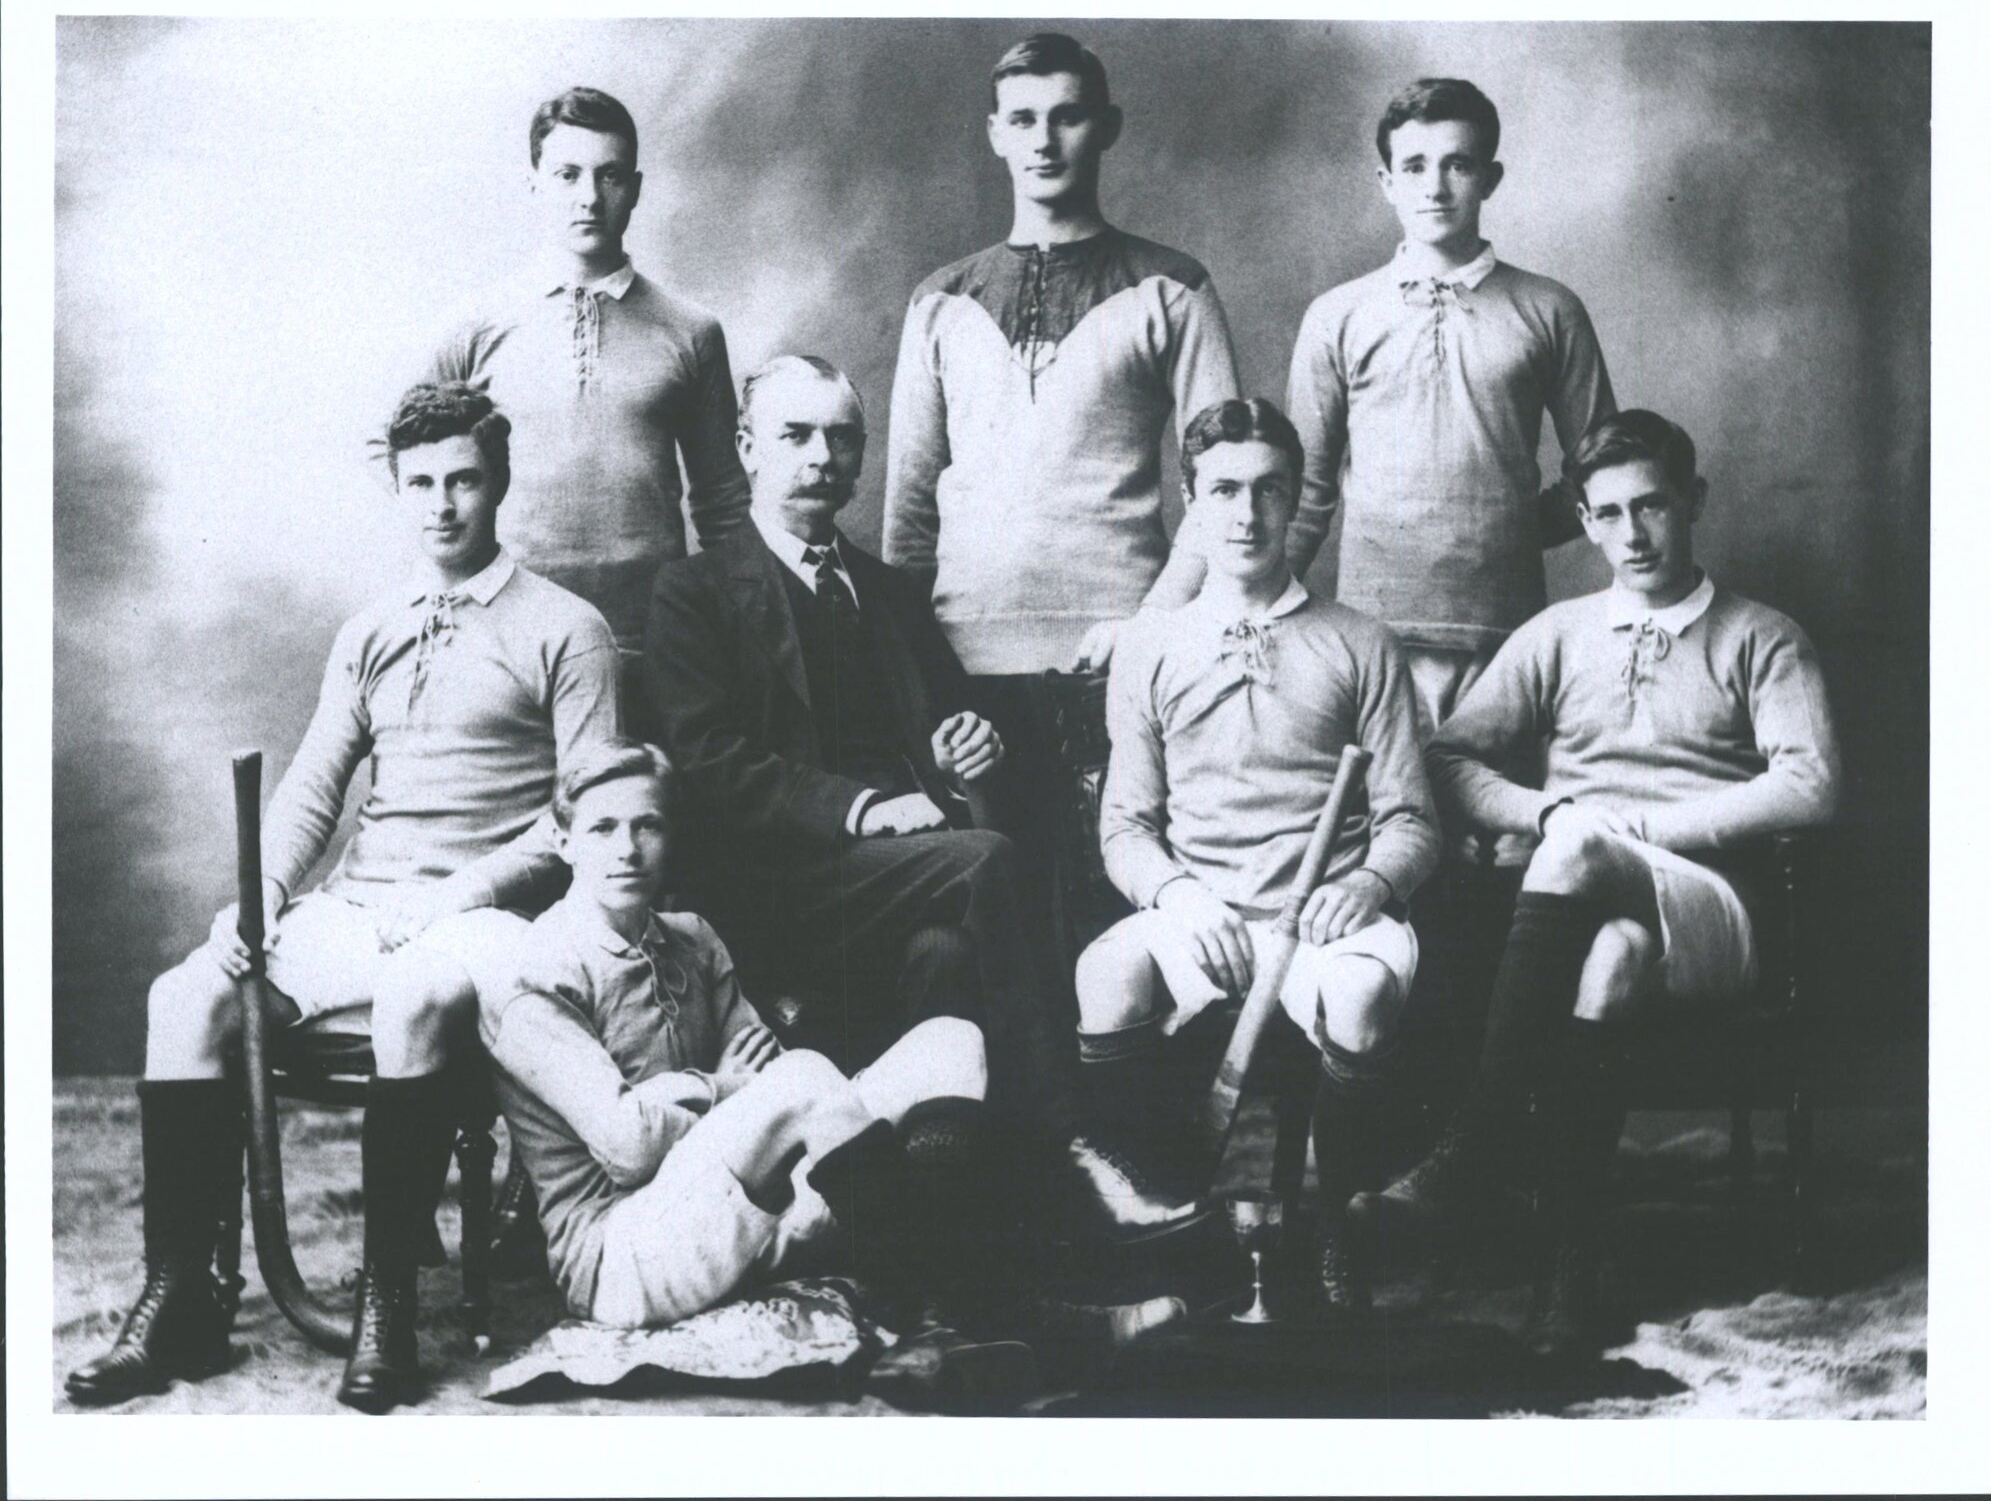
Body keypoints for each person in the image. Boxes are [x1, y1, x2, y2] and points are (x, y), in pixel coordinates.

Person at [65, 383, 620, 1412]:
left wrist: (463, 890)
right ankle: (180, 1300)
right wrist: (261, 897)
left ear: (499, 482)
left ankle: (385, 1303)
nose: (442, 504)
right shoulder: (369, 630)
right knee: (182, 997)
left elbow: (584, 813)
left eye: (463, 480)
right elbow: (315, 789)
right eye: (421, 483)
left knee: (413, 993)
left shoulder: (567, 628)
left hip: (490, 920)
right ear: (397, 490)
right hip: (361, 907)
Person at [645, 353, 1204, 1246]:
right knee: (985, 863)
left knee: (944, 953)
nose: (821, 457)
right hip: (780, 890)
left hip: (904, 882)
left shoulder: (891, 594)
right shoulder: (695, 592)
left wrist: (965, 758)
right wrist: (862, 809)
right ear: (747, 447)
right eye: (795, 435)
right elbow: (710, 763)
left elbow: (956, 739)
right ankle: (1072, 1148)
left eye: (842, 438)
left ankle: (938, 1243)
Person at [1352, 408, 1841, 1356]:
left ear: (1692, 501)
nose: (1632, 534)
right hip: (1593, 917)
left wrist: (1633, 830)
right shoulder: (1558, 633)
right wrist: (1545, 813)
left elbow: (1810, 784)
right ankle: (1568, 1273)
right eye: (1607, 514)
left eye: (1651, 505)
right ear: (1582, 521)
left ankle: (1469, 1151)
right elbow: (1446, 758)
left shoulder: (1762, 636)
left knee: (1577, 848)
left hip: (1716, 911)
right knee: (1610, 956)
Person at [883, 32, 1243, 954]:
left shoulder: (1172, 288)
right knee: (996, 927)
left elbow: (1224, 487)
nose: (1044, 140)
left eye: (1067, 116)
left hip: (1119, 661)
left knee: (1118, 917)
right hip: (965, 670)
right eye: (1023, 120)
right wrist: (919, 682)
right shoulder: (939, 300)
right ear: (994, 135)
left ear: (1106, 128)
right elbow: (909, 514)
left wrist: (1149, 626)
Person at [1083, 398, 1440, 1313]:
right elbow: (1125, 827)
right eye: (1224, 490)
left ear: (1296, 499)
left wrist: (1369, 882)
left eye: (1269, 491)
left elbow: (1412, 821)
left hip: (1327, 919)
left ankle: (1335, 1228)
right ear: (1189, 498)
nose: (1246, 514)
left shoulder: (1362, 642)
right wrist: (1177, 895)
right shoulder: (1149, 646)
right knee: (1103, 971)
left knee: (1358, 994)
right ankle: (1162, 1217)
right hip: (1202, 913)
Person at [478, 741, 1009, 1350]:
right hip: (623, 1256)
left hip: (746, 1214)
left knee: (950, 1040)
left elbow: (768, 1073)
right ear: (563, 840)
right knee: (806, 1079)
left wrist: (691, 1096)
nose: (627, 849)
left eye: (648, 825)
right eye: (603, 828)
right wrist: (720, 1085)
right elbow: (630, 1150)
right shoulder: (533, 974)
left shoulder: (692, 939)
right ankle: (928, 1291)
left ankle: (934, 1300)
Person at [1287, 77, 1616, 743]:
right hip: (1371, 632)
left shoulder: (1549, 309)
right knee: (1384, 800)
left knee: (1494, 803)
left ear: (1489, 179)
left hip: (1507, 631)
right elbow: (1303, 492)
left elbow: (1603, 471)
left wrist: (1505, 530)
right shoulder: (1337, 315)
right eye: (1414, 167)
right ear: (1386, 182)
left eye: (1457, 165)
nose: (1435, 188)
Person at [432, 86, 751, 674]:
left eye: (610, 176)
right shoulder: (477, 327)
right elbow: (406, 456)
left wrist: (739, 626)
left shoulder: (693, 331)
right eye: (567, 175)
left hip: (654, 640)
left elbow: (723, 501)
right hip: (505, 640)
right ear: (534, 183)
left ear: (635, 188)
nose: (589, 198)